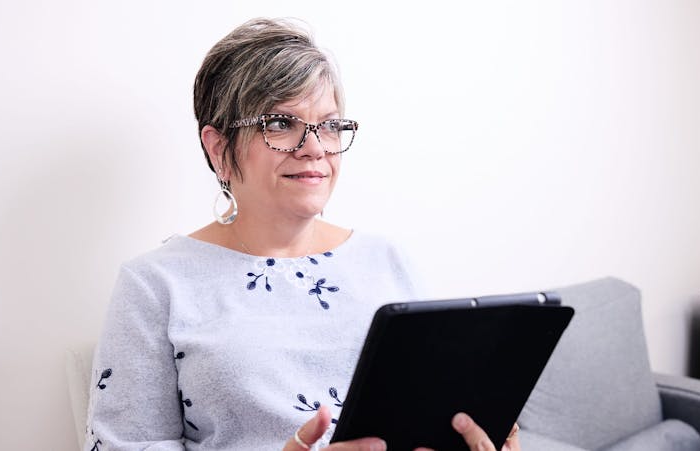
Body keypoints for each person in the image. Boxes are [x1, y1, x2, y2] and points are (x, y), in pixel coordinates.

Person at [84, 18, 521, 451]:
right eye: (279, 123)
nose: (314, 148)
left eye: (329, 125)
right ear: (219, 148)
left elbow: (429, 415)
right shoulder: (156, 285)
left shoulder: (387, 261)